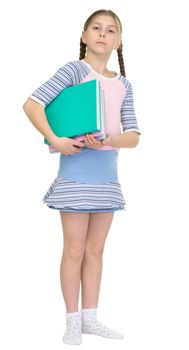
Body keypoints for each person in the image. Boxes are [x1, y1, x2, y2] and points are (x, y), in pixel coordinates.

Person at [23, 8, 141, 346]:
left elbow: (133, 135)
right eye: (96, 28)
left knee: (96, 250)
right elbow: (33, 104)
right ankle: (72, 321)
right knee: (74, 249)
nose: (103, 34)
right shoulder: (74, 71)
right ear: (84, 36)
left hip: (107, 180)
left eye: (111, 30)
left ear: (119, 41)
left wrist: (110, 140)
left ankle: (91, 318)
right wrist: (57, 139)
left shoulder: (123, 84)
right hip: (76, 178)